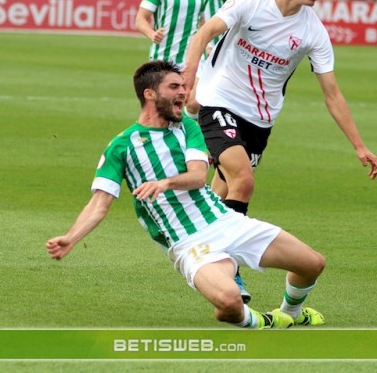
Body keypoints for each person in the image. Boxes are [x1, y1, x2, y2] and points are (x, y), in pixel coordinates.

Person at [47, 60, 327, 330]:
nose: (183, 92)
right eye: (174, 87)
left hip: (226, 221)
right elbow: (99, 204)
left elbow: (197, 176)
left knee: (313, 263)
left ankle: (291, 312)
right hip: (190, 243)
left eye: (183, 86)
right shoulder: (122, 146)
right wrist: (70, 238)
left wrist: (165, 183)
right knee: (229, 303)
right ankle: (264, 322)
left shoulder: (188, 128)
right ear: (150, 94)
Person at [182, 0, 377, 300]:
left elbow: (332, 94)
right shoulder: (249, 2)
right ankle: (230, 271)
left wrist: (359, 145)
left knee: (222, 191)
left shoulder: (313, 32)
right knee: (243, 181)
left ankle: (198, 247)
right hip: (218, 102)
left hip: (260, 120)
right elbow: (204, 34)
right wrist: (190, 77)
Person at [184, 0, 238, 118]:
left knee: (197, 102)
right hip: (194, 49)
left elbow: (242, 10)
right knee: (191, 103)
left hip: (218, 51)